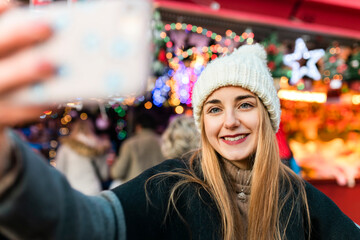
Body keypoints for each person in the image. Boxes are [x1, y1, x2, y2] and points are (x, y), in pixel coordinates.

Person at [0, 3, 359, 238]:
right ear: (203, 124)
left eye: (245, 105)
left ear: (267, 117)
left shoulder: (298, 197)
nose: (229, 121)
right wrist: (8, 165)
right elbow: (91, 224)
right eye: (214, 109)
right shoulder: (172, 187)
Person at [55, 119, 111, 195]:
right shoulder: (99, 146)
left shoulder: (66, 147)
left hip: (73, 190)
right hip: (93, 189)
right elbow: (104, 175)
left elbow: (59, 171)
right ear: (92, 128)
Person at [110, 112, 164, 183]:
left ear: (138, 126)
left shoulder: (130, 144)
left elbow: (117, 173)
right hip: (158, 189)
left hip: (134, 189)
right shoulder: (164, 142)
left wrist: (113, 163)